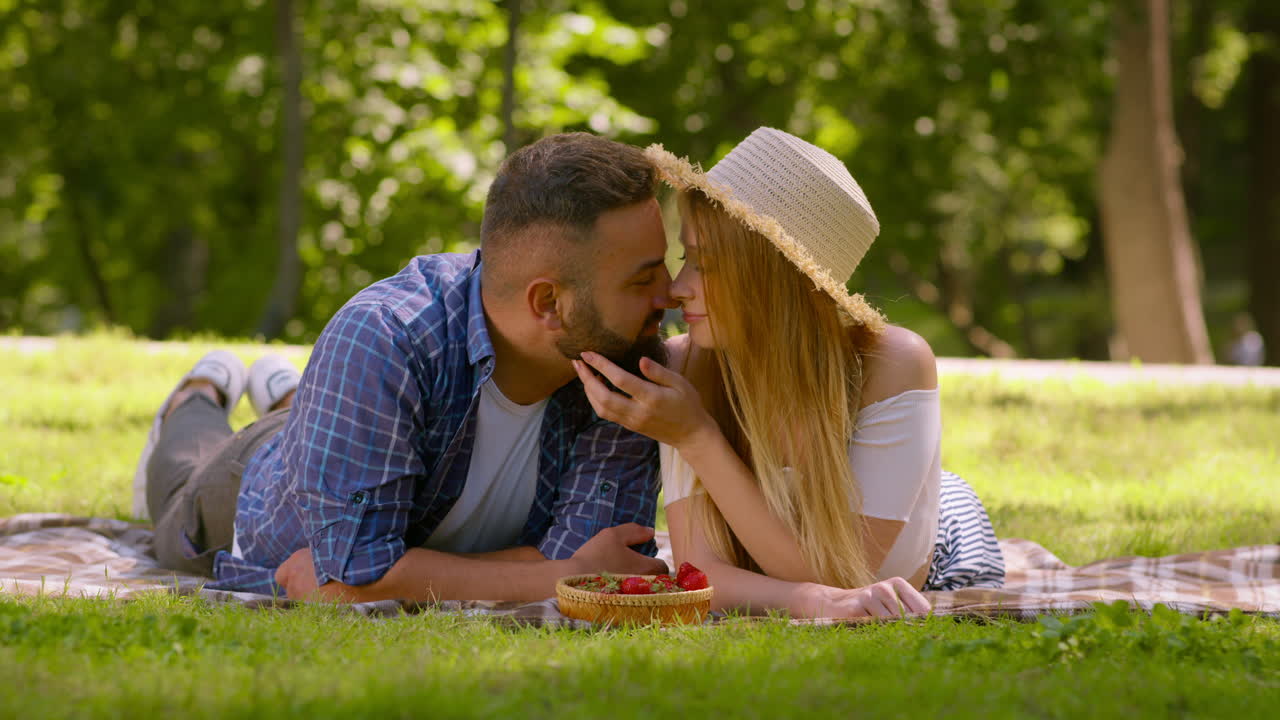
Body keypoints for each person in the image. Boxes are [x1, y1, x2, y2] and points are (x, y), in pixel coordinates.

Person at [137, 132, 677, 602]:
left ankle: (289, 394)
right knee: (180, 480)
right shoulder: (385, 336)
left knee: (335, 426)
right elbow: (569, 572)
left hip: (354, 428)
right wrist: (553, 573)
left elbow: (598, 565)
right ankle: (198, 393)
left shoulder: (628, 358)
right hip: (248, 490)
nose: (671, 296)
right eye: (642, 279)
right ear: (548, 304)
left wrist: (391, 576)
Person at [572, 127, 1005, 619]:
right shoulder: (688, 364)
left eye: (705, 265)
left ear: (772, 281)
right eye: (684, 258)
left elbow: (851, 579)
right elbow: (700, 572)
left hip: (942, 540)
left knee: (950, 506)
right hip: (805, 556)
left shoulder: (891, 363)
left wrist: (698, 437)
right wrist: (694, 435)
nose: (677, 288)